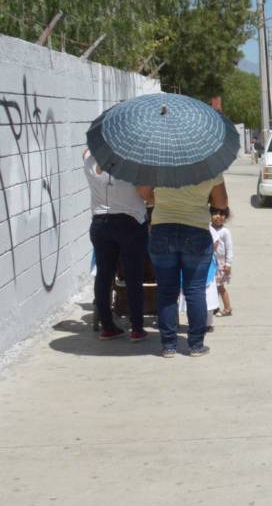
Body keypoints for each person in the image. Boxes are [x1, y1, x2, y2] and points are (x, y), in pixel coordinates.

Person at [137, 175, 228, 357]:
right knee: (195, 289)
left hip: (162, 228)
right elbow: (222, 202)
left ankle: (169, 345)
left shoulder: (159, 160)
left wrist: (162, 200)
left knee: (166, 290)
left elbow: (142, 191)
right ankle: (195, 345)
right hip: (196, 230)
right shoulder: (210, 166)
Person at [84, 149, 151, 342]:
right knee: (133, 276)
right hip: (130, 222)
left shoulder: (89, 160)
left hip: (100, 222)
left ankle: (107, 326)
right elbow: (146, 194)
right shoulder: (135, 161)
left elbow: (86, 151)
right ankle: (137, 327)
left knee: (104, 276)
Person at [210, 206, 234, 317]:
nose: (218, 217)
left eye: (222, 214)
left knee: (220, 287)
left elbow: (229, 249)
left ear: (226, 217)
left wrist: (228, 264)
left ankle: (227, 308)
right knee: (212, 287)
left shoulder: (225, 232)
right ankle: (215, 307)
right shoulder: (208, 228)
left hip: (221, 264)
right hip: (211, 263)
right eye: (215, 213)